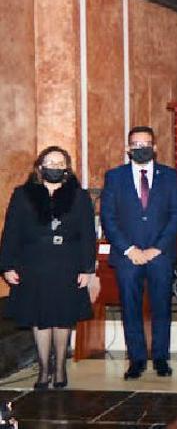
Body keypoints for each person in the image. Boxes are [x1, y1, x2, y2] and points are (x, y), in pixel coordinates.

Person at [0, 146, 96, 389]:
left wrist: (87, 268)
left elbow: (87, 234)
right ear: (40, 167)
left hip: (68, 263)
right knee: (40, 318)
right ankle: (43, 370)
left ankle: (61, 368)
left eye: (59, 162)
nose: (54, 166)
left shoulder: (79, 196)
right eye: (49, 162)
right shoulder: (23, 194)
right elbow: (11, 231)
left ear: (67, 167)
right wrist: (7, 265)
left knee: (63, 318)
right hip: (33, 263)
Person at [100, 126, 177, 380]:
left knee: (162, 307)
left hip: (161, 254)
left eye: (146, 143)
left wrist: (158, 247)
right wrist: (129, 249)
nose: (141, 148)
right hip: (128, 256)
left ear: (155, 147)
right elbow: (108, 217)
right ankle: (136, 359)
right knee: (130, 307)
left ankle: (160, 358)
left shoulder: (169, 176)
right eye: (135, 144)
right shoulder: (115, 177)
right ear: (127, 149)